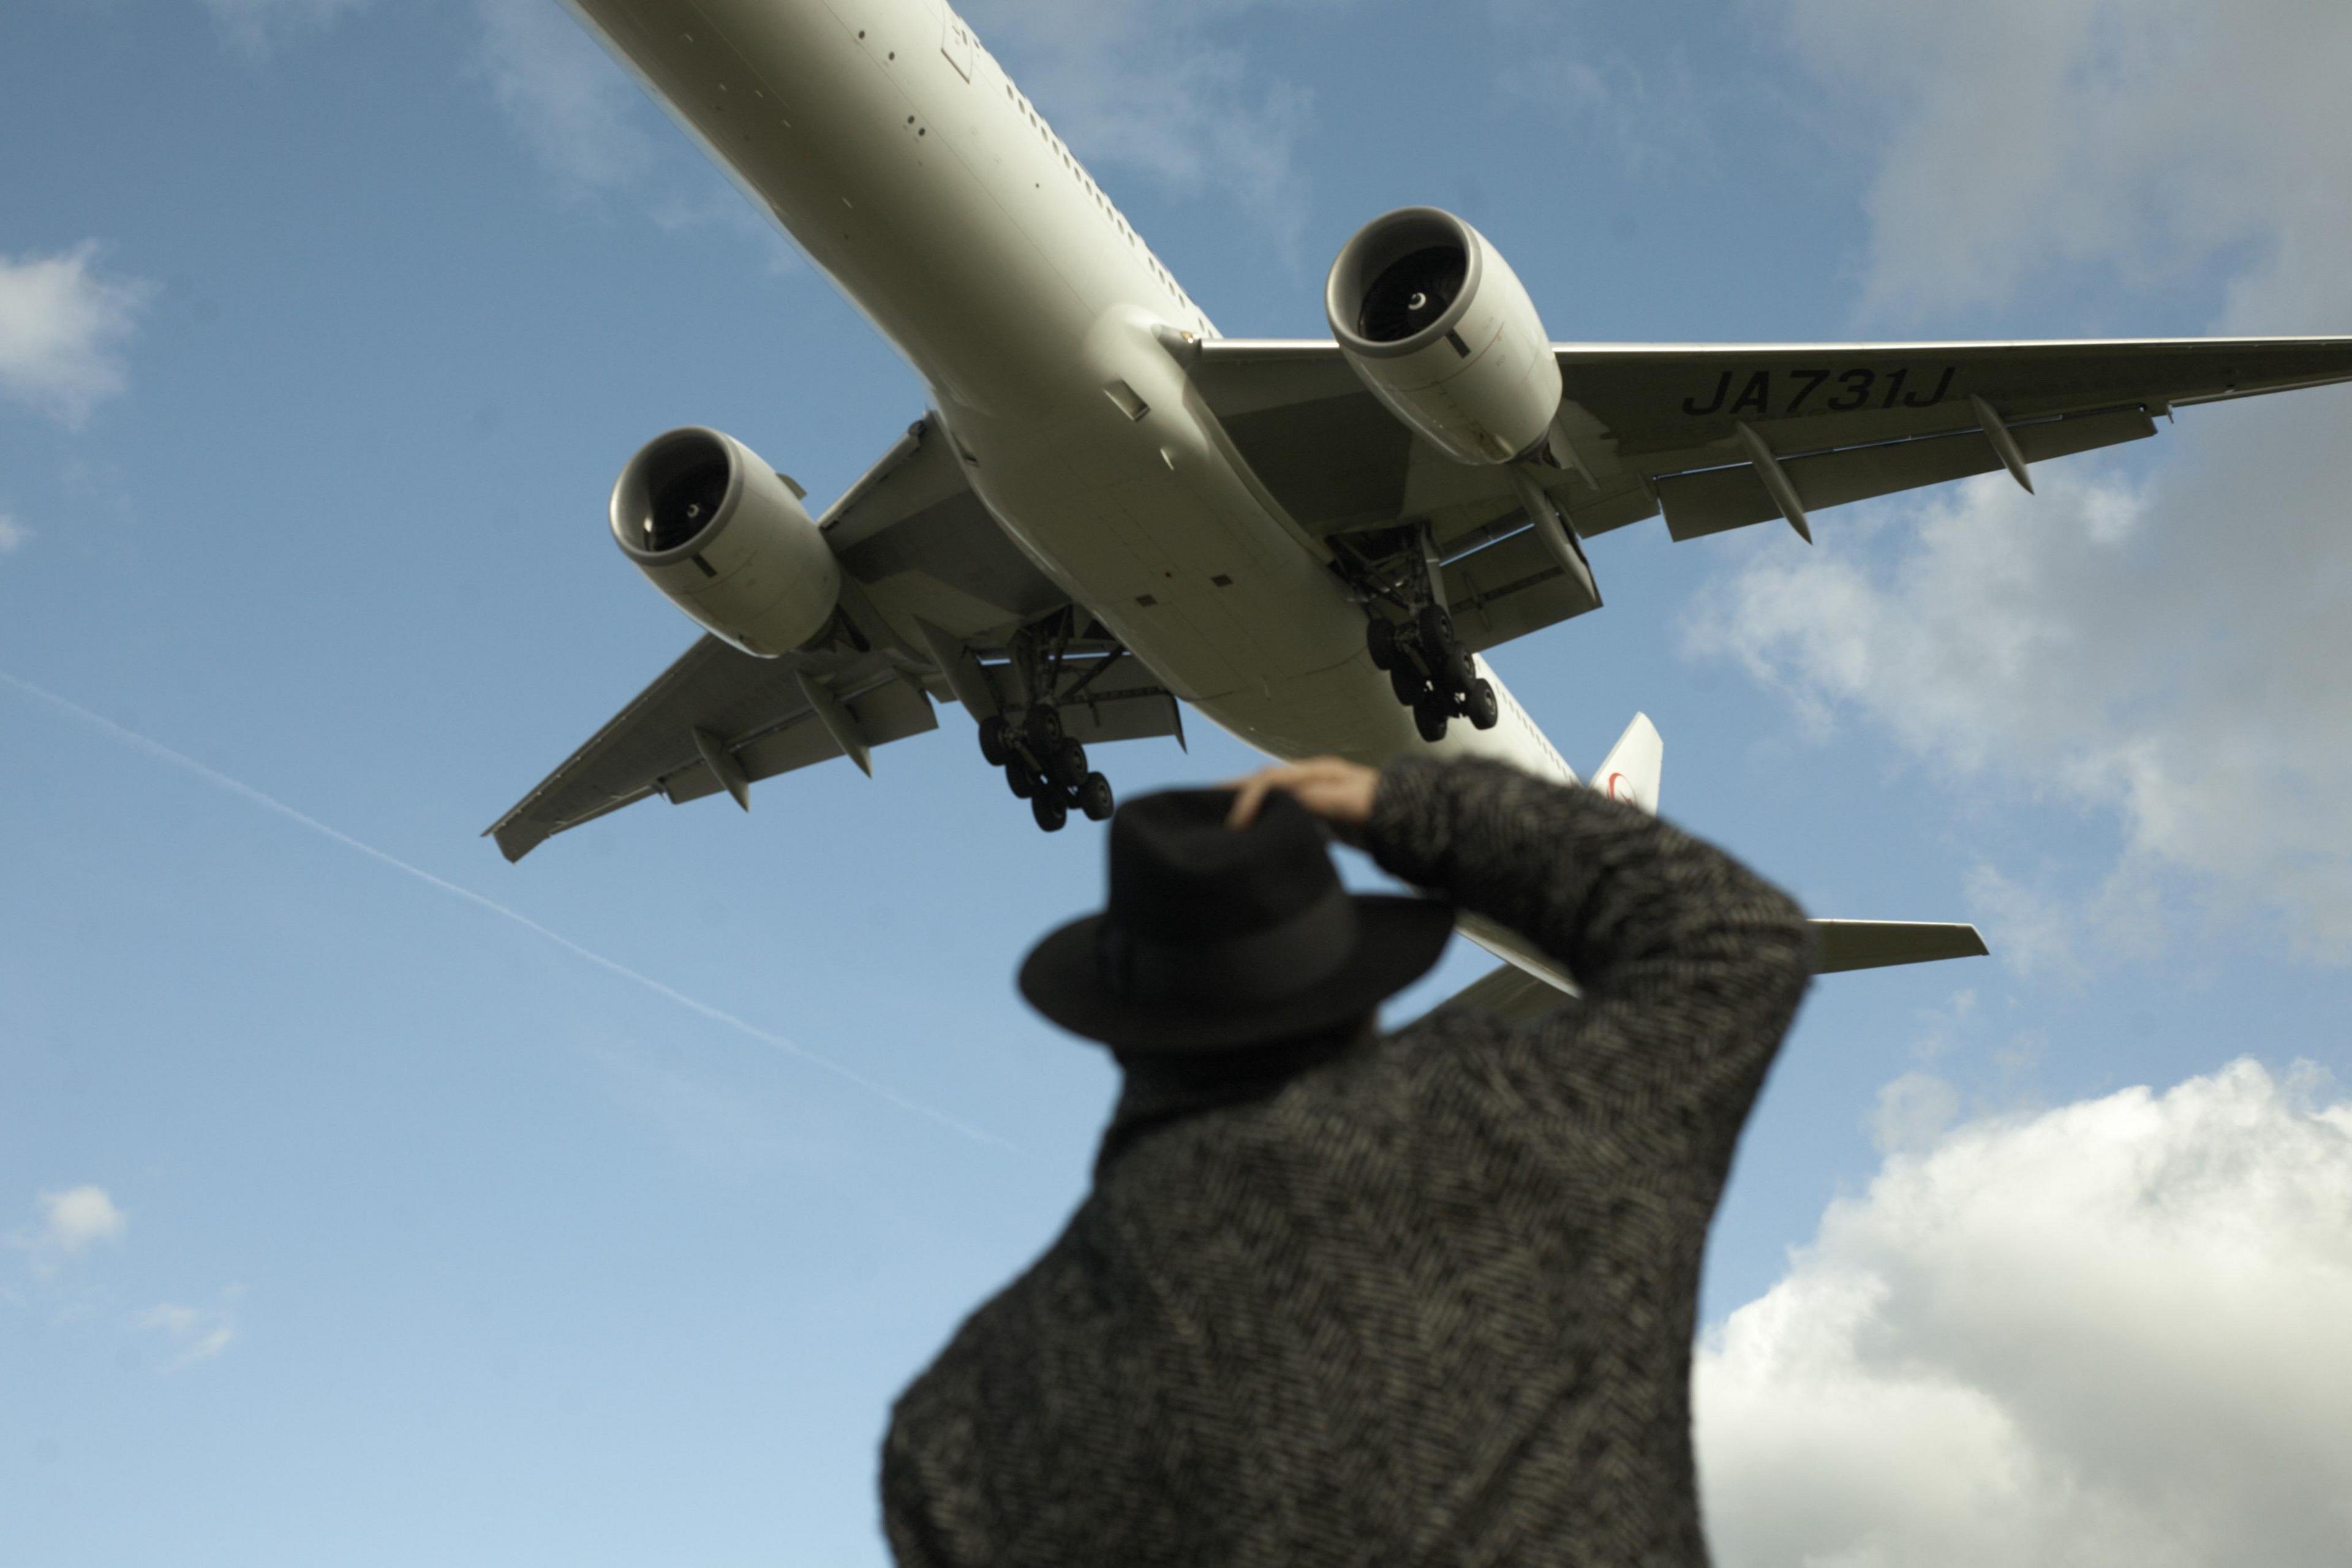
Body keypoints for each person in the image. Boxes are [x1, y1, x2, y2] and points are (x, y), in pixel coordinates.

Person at [881, 754, 1815, 1567]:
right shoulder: (1519, 1131)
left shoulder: (956, 1430)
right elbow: (1735, 938)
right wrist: (1404, 809)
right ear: (1363, 993)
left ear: (1118, 1028)